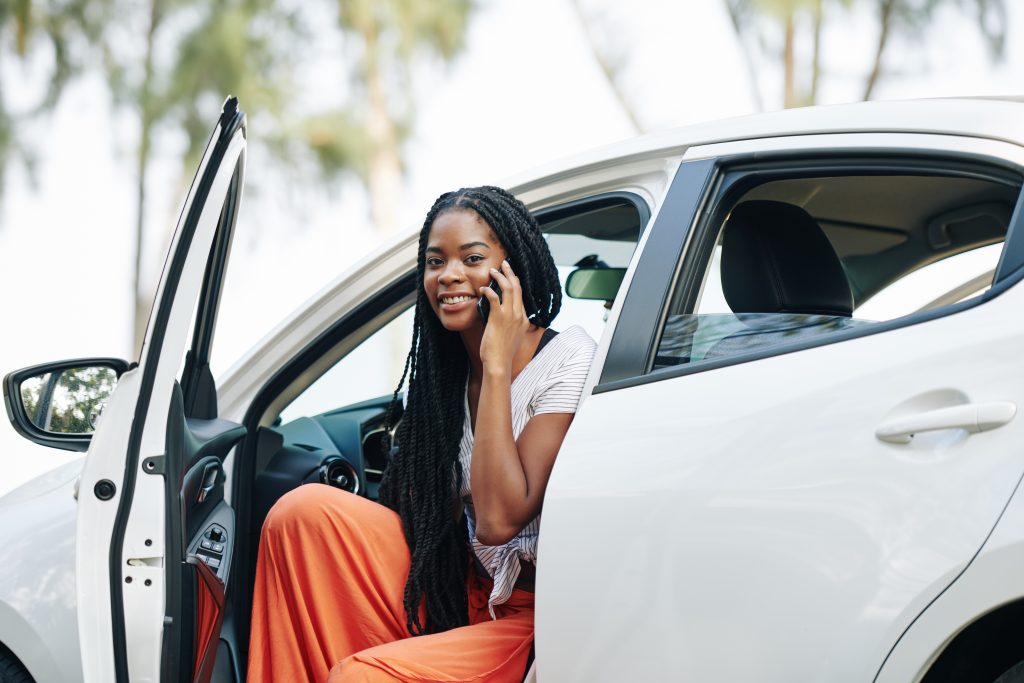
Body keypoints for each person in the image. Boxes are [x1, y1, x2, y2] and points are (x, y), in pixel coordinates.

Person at [247, 186, 597, 682]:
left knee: (361, 678)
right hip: (465, 588)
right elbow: (435, 518)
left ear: (512, 268)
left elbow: (499, 521)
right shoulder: (443, 380)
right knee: (300, 515)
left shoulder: (569, 360)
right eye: (436, 262)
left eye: (472, 258)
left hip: (536, 615)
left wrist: (496, 366)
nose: (449, 275)